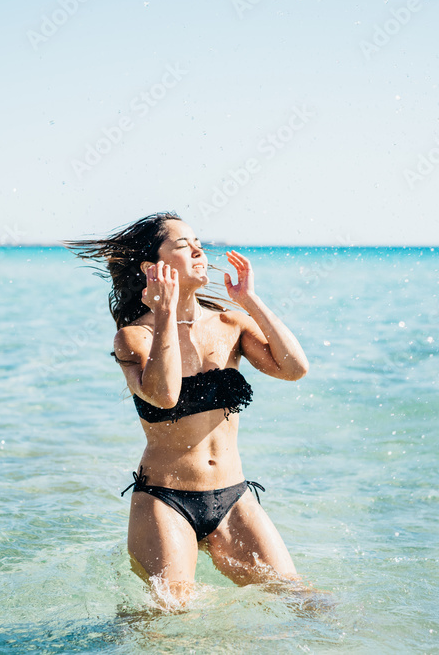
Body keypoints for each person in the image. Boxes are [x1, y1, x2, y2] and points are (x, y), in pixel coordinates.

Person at [66, 212, 310, 608]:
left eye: (198, 241)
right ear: (153, 268)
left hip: (234, 498)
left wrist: (249, 300)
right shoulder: (135, 337)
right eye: (182, 245)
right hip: (166, 501)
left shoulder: (230, 323)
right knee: (168, 623)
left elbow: (295, 369)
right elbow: (163, 395)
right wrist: (164, 312)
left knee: (302, 601)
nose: (198, 250)